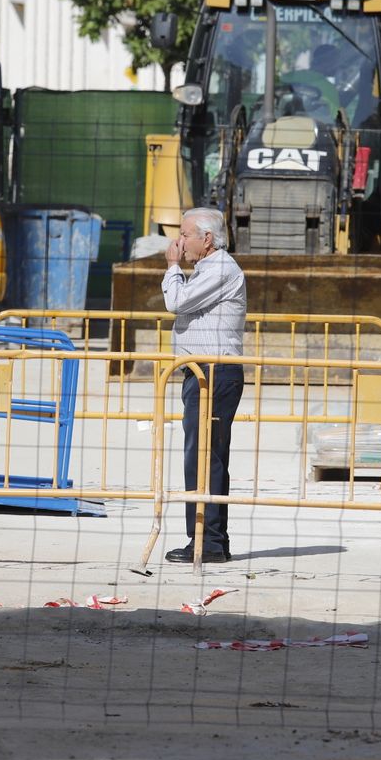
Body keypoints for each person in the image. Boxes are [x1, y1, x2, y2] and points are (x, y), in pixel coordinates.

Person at [161, 207, 247, 564]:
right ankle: (211, 539)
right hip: (201, 374)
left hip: (213, 374)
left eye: (185, 235)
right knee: (204, 458)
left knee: (204, 459)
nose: (179, 242)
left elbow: (175, 302)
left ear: (207, 239)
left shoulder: (221, 269)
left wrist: (171, 268)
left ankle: (207, 542)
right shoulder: (207, 270)